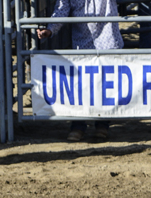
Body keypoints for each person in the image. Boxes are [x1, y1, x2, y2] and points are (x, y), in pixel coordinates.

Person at [35, 0, 123, 142]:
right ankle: (78, 125)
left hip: (107, 42)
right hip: (83, 44)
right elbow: (62, 9)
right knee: (81, 87)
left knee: (104, 85)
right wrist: (51, 29)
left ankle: (102, 124)